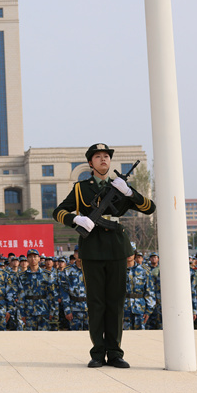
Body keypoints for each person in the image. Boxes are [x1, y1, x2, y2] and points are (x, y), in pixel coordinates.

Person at [52, 143, 156, 368]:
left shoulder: (120, 186)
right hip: (92, 247)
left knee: (116, 302)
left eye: (106, 156)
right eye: (98, 156)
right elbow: (58, 211)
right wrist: (76, 219)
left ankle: (115, 352)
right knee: (96, 302)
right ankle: (98, 352)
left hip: (117, 247)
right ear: (90, 163)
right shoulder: (81, 188)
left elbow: (149, 208)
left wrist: (129, 192)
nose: (103, 159)